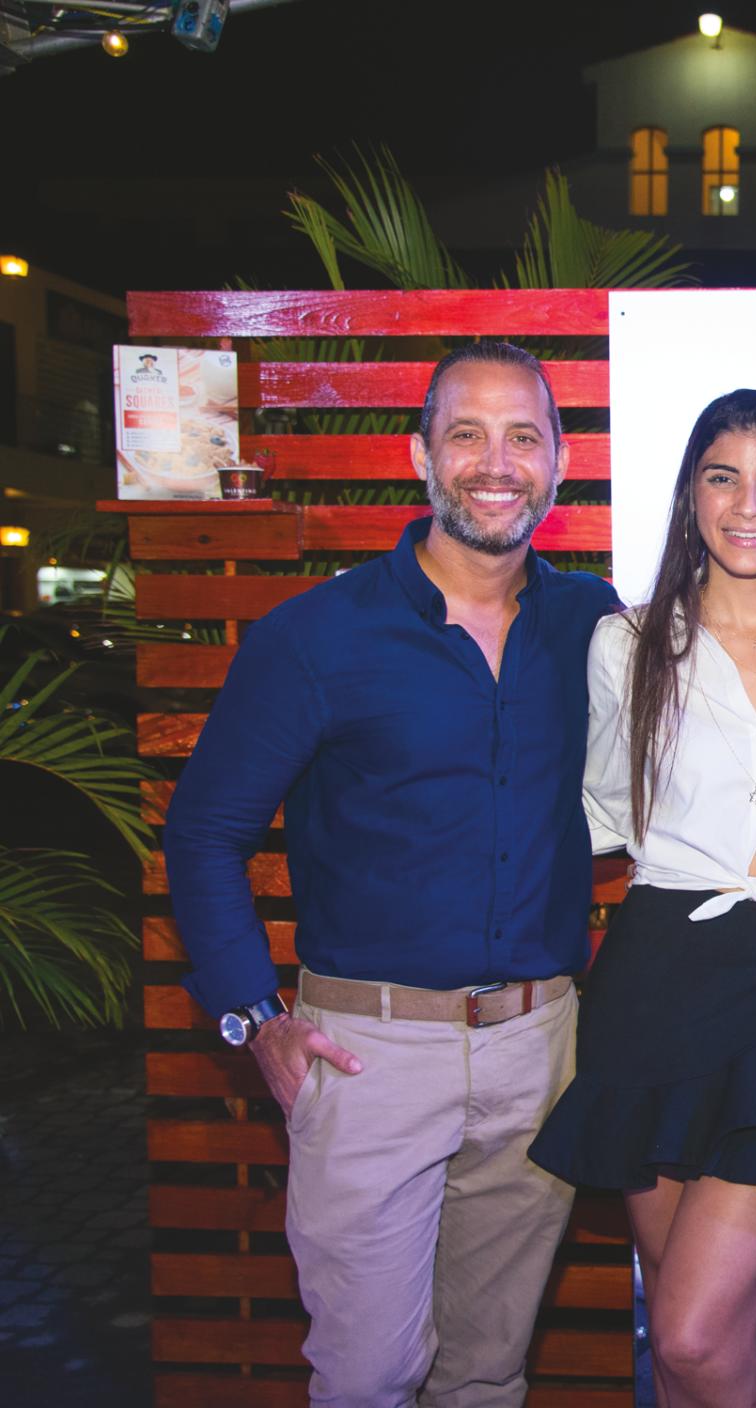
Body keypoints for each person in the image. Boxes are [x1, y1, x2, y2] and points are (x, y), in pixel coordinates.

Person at [163, 342, 618, 1406]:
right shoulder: (317, 636)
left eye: (522, 437)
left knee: (487, 1373)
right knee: (366, 1378)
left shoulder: (591, 625)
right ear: (421, 456)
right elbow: (204, 831)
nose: (494, 462)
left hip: (539, 1049)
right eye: (466, 434)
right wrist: (249, 1016)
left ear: (557, 464)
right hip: (366, 1058)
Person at [527, 389, 756, 1408]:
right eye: (721, 476)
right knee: (694, 1339)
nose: (747, 503)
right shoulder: (628, 644)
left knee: (693, 1336)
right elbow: (604, 809)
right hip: (659, 981)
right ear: (690, 493)